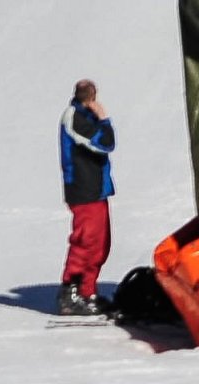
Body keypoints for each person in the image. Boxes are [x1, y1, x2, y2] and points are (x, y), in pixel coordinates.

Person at [57, 79, 115, 315]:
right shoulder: (74, 117)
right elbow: (104, 143)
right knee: (85, 242)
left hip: (96, 189)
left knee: (100, 244)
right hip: (83, 190)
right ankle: (70, 293)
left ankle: (87, 291)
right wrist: (104, 120)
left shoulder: (86, 116)